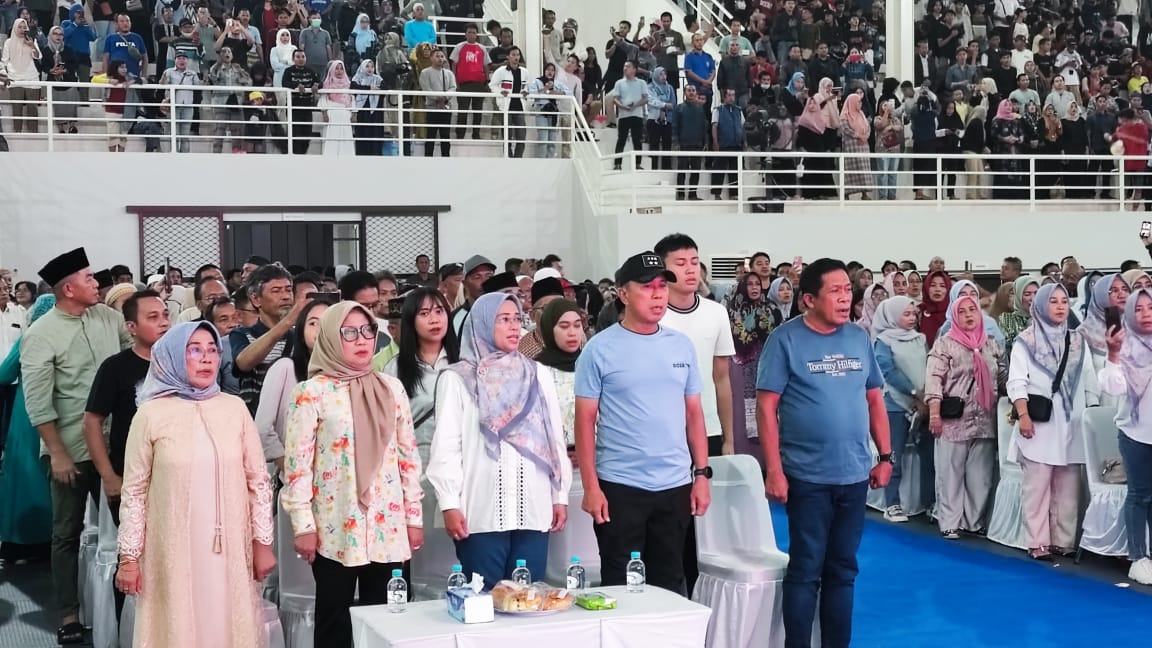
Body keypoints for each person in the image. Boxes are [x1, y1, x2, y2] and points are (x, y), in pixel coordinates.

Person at [756, 258, 892, 648]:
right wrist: (774, 470)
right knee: (806, 568)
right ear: (809, 299)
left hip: (854, 474)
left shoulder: (858, 338)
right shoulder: (785, 340)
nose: (845, 298)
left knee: (843, 570)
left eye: (848, 290)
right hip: (806, 476)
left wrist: (886, 456)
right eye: (835, 291)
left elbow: (874, 399)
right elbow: (766, 407)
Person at [115, 322, 275, 647]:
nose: (206, 359)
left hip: (230, 546)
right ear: (173, 356)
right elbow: (134, 492)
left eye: (213, 350)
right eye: (194, 350)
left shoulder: (234, 408)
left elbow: (258, 480)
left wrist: (262, 544)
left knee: (226, 621)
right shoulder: (150, 414)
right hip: (172, 549)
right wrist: (129, 558)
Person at [284, 302, 423, 648]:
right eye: (348, 332)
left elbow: (408, 456)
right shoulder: (311, 392)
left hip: (387, 523)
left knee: (389, 618)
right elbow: (297, 467)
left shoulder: (391, 388)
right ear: (331, 338)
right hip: (335, 526)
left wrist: (413, 517)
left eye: (367, 330)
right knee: (334, 619)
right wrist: (303, 525)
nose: (361, 340)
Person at [575, 252, 710, 596]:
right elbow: (585, 422)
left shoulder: (681, 346)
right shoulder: (599, 349)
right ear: (623, 293)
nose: (658, 295)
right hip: (620, 485)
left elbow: (694, 414)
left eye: (662, 286)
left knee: (669, 581)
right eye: (647, 287)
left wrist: (701, 475)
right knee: (621, 585)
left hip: (675, 485)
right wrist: (591, 487)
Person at [21, 248, 131, 644]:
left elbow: (133, 354)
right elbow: (38, 401)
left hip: (116, 443)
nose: (96, 284)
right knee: (66, 532)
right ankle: (69, 612)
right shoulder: (40, 334)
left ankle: (125, 608)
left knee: (127, 527)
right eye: (88, 278)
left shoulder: (108, 318)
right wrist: (57, 452)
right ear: (68, 289)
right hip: (70, 447)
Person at [428, 293, 571, 589]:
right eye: (503, 320)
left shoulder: (537, 373)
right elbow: (447, 447)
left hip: (534, 505)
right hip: (481, 509)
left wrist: (559, 495)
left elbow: (553, 439)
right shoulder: (458, 378)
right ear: (481, 324)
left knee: (528, 596)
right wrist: (449, 503)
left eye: (517, 319)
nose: (514, 327)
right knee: (483, 598)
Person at [1007, 283, 1098, 560]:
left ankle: (1063, 541)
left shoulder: (1078, 340)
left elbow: (1089, 378)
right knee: (1037, 487)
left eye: (1064, 301)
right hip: (1041, 423)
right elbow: (1017, 382)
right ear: (1040, 305)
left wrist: (1092, 412)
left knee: (1068, 487)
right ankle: (1037, 542)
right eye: (1053, 301)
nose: (1060, 307)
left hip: (1072, 422)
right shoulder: (1026, 341)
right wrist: (1023, 415)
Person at [925, 295, 1002, 539]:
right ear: (954, 316)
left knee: (981, 476)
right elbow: (934, 379)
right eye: (962, 311)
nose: (969, 315)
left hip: (985, 418)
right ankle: (949, 522)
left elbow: (1002, 376)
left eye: (973, 310)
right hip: (954, 419)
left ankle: (973, 521)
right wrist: (934, 413)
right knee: (950, 473)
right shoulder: (944, 344)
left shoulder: (990, 343)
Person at [1100, 287, 1152, 585]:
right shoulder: (1126, 344)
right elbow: (1113, 386)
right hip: (1135, 434)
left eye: (1150, 308)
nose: (1145, 314)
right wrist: (1114, 354)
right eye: (1139, 309)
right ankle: (1137, 557)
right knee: (1140, 495)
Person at [0, 295, 55, 567]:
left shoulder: (29, 338)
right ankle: (50, 540)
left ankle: (18, 543)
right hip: (60, 411)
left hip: (27, 413)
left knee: (24, 477)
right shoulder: (66, 337)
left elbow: (4, 374)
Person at [871, 296, 930, 524]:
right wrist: (914, 392)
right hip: (895, 404)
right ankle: (892, 503)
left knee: (928, 455)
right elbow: (887, 371)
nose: (912, 318)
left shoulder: (920, 338)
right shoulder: (883, 341)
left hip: (922, 404)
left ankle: (929, 502)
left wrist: (925, 396)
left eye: (914, 314)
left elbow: (928, 366)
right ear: (892, 316)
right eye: (906, 314)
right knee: (892, 454)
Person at [254, 298, 328, 477]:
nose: (320, 330)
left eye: (327, 322)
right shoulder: (286, 368)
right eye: (313, 323)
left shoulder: (345, 376)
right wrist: (292, 471)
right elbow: (262, 428)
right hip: (293, 476)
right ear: (301, 331)